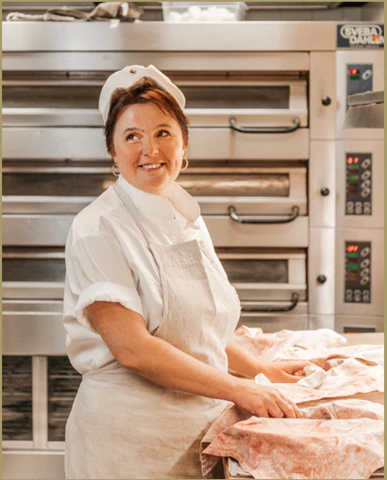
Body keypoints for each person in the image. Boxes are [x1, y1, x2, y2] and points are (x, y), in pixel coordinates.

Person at [63, 65, 312, 479]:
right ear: (113, 152)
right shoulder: (97, 228)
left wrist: (262, 372)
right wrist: (240, 388)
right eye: (132, 136)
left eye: (163, 133)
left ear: (184, 145)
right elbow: (134, 349)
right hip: (127, 445)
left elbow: (198, 329)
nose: (150, 149)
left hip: (200, 434)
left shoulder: (187, 218)